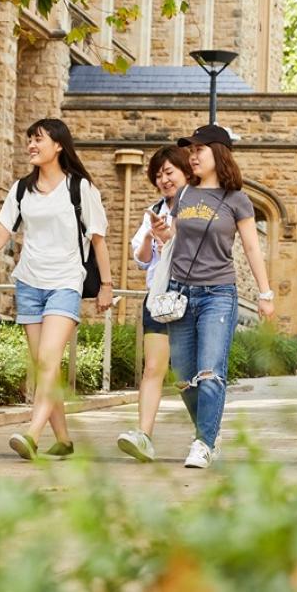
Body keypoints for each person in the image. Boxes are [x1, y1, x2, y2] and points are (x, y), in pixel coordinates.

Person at [0, 118, 113, 460]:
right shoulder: (20, 189)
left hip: (65, 282)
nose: (31, 145)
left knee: (47, 361)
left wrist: (106, 285)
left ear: (58, 145)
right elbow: (1, 237)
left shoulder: (80, 188)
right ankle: (63, 439)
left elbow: (99, 240)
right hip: (29, 282)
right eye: (29, 139)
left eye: (38, 139)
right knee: (45, 366)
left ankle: (31, 434)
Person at [148, 124, 275, 469]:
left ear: (218, 153)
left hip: (219, 292)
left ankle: (202, 443)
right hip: (180, 294)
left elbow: (251, 246)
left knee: (210, 371)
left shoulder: (237, 200)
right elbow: (175, 237)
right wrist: (162, 232)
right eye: (190, 151)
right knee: (184, 376)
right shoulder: (185, 194)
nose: (192, 156)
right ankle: (210, 430)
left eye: (198, 150)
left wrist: (265, 293)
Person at [116, 145, 193, 462]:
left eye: (169, 171)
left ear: (186, 172)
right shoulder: (154, 210)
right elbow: (143, 260)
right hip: (159, 299)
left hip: (192, 297)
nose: (164, 179)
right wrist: (151, 235)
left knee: (188, 374)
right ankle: (144, 435)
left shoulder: (198, 208)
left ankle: (205, 436)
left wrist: (172, 234)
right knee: (152, 368)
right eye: (158, 174)